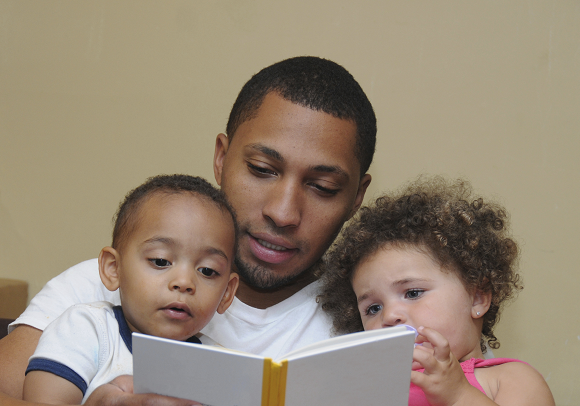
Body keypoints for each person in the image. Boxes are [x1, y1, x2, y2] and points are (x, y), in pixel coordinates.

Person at [0, 56, 376, 406]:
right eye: (262, 169)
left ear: (357, 196)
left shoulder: (371, 320)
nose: (282, 212)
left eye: (323, 187)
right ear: (221, 158)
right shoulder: (103, 289)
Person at [318, 176, 555, 406]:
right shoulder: (374, 389)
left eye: (412, 293)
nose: (389, 316)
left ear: (478, 298)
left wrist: (459, 396)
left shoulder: (510, 379)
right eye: (373, 308)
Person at [23, 174, 239, 404]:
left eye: (207, 270)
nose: (184, 282)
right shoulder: (86, 331)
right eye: (160, 261)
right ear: (113, 269)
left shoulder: (219, 366)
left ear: (226, 293)